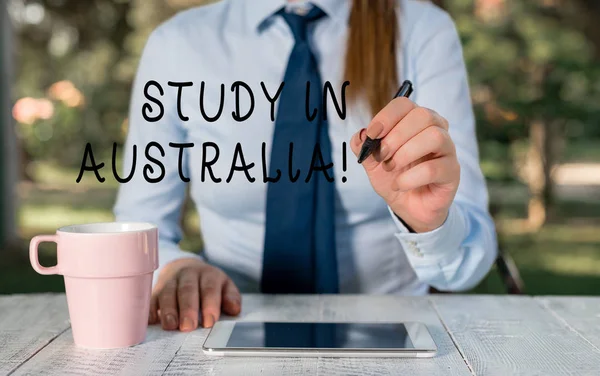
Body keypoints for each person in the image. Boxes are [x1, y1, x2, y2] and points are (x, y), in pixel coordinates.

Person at [114, 0, 498, 333]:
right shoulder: (177, 44)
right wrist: (174, 267)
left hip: (391, 334)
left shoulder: (422, 30)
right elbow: (137, 226)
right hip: (228, 327)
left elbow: (466, 262)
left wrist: (429, 223)